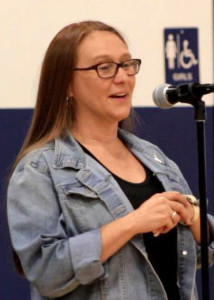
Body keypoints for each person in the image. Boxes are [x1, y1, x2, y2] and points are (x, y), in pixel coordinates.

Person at [7, 20, 214, 300]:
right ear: (67, 84)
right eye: (104, 67)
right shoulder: (39, 169)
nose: (123, 78)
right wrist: (134, 222)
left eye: (127, 64)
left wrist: (192, 216)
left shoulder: (156, 159)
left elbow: (199, 255)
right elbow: (46, 273)